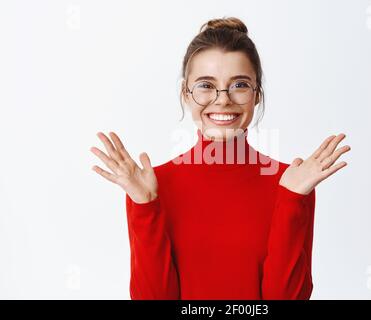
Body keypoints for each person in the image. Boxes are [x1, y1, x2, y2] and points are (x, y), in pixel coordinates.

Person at [90, 16, 351, 300]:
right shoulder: (151, 186)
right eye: (206, 85)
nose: (223, 99)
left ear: (257, 94)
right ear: (186, 95)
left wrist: (292, 199)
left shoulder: (292, 183)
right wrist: (144, 206)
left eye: (239, 85)